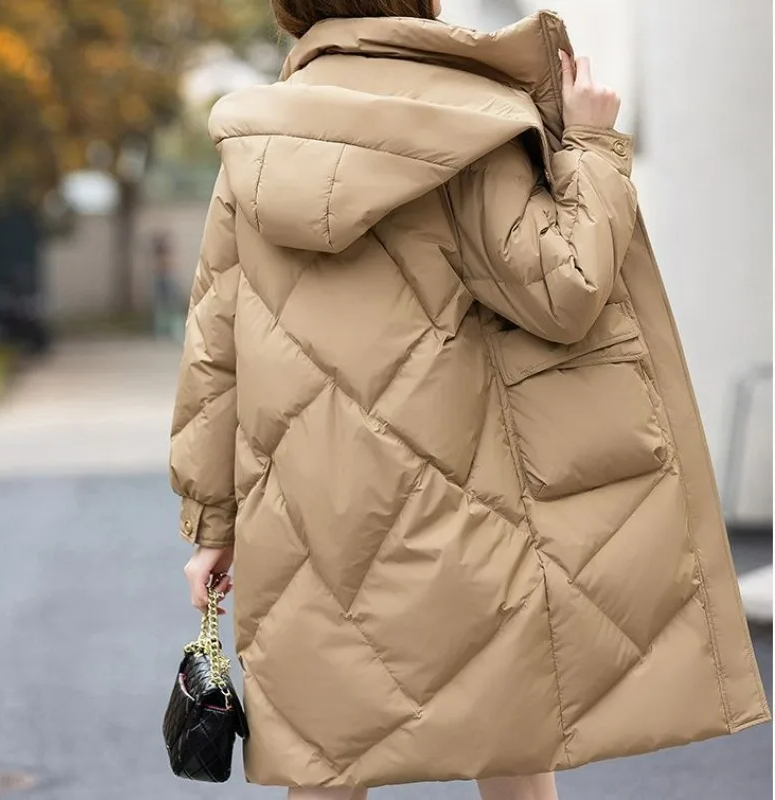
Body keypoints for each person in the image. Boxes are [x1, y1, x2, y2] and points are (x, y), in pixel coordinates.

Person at [170, 2, 769, 799]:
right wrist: (592, 145)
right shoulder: (472, 124)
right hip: (469, 501)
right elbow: (563, 291)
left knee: (324, 756)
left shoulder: (254, 147)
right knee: (511, 732)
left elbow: (214, 356)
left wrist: (212, 526)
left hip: (305, 520)